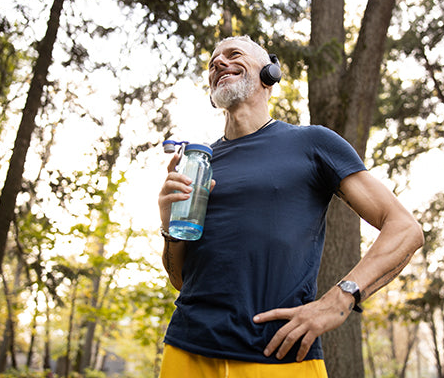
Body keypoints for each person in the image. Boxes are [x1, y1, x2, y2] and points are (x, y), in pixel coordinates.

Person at [157, 35, 424, 378]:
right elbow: (181, 280)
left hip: (279, 355)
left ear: (269, 73)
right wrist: (169, 225)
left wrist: (340, 299)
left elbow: (405, 229)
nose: (219, 63)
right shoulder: (200, 163)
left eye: (233, 55)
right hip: (185, 350)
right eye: (213, 63)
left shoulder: (311, 143)